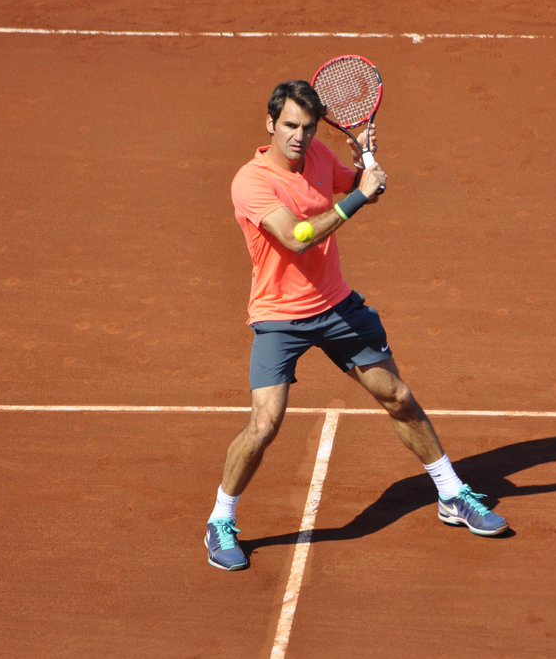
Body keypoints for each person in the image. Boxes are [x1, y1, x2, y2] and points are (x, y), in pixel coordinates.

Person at [204, 80, 507, 571]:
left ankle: (452, 494)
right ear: (270, 124)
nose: (299, 137)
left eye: (307, 127)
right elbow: (297, 237)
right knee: (265, 424)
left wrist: (367, 164)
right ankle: (220, 520)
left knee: (399, 397)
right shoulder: (252, 182)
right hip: (279, 316)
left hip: (336, 306)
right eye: (290, 127)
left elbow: (361, 186)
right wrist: (360, 197)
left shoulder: (320, 156)